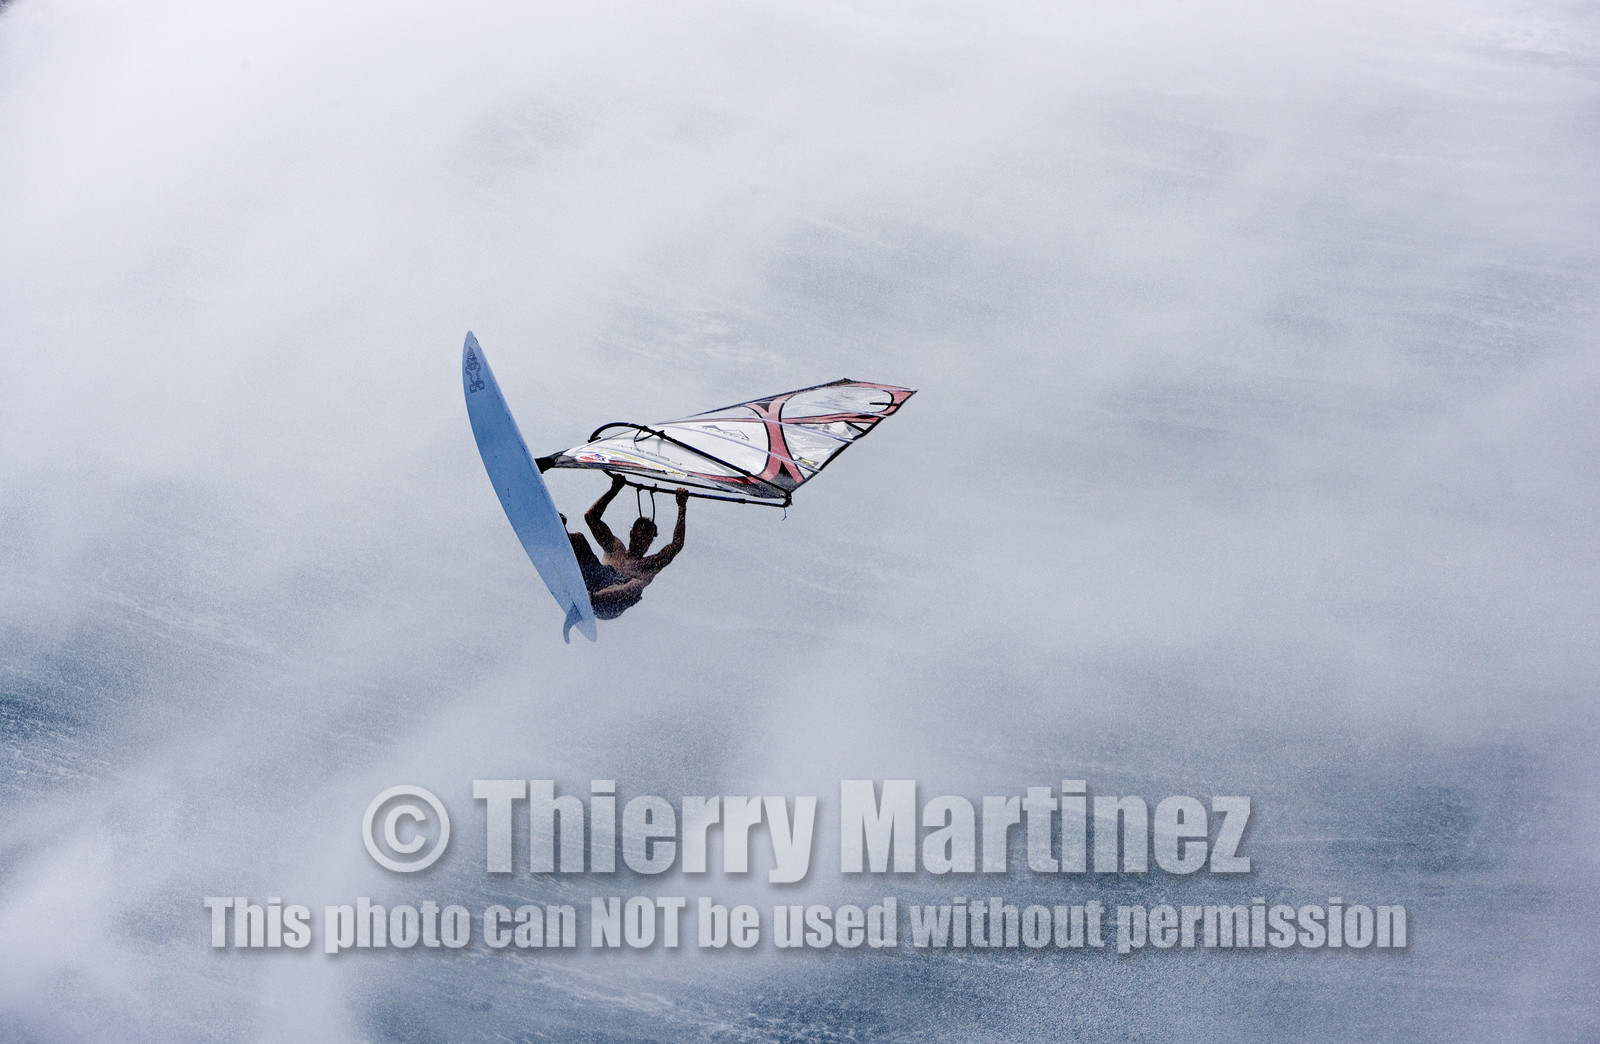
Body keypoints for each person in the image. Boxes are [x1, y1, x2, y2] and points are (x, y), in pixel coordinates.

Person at [565, 475, 689, 619]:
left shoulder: (650, 564)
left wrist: (682, 507)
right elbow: (591, 517)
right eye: (640, 536)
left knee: (636, 585)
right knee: (578, 538)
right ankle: (555, 535)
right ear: (632, 534)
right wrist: (614, 489)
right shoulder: (616, 548)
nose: (643, 542)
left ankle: (588, 601)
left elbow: (677, 545)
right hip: (592, 582)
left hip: (607, 605)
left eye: (647, 540)